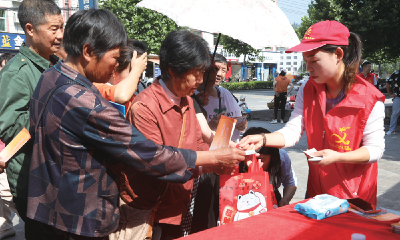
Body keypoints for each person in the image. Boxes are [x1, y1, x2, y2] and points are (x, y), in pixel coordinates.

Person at [24, 9, 244, 239]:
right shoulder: (86, 103)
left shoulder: (50, 77)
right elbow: (149, 155)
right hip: (78, 219)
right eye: (115, 59)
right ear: (88, 51)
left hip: (46, 207)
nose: (117, 67)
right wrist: (214, 159)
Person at [239, 20, 385, 206]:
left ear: (338, 54)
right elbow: (293, 131)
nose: (308, 68)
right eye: (305, 60)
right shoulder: (308, 89)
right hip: (317, 190)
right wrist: (263, 138)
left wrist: (338, 156)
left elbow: (375, 150)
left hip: (354, 194)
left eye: (314, 60)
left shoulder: (369, 98)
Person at [123, 30, 218, 239]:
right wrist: (215, 158)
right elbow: (158, 162)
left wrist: (221, 159)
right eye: (196, 73)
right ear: (173, 70)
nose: (200, 80)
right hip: (152, 211)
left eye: (203, 73)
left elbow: (198, 146)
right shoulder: (144, 107)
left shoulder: (187, 101)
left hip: (179, 205)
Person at [0, 1, 63, 239]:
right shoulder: (17, 73)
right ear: (30, 29)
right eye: (53, 29)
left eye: (61, 28)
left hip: (58, 174)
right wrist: (56, 110)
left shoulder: (55, 64)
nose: (60, 35)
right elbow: (11, 129)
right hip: (35, 179)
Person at [241, 127, 297, 207]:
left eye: (261, 159)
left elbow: (290, 183)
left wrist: (285, 200)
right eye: (250, 158)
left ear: (273, 158)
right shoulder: (236, 161)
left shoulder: (282, 158)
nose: (254, 163)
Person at [194, 60, 245, 142]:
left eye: (214, 71)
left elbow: (238, 119)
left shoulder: (226, 93)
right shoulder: (191, 97)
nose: (217, 74)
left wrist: (242, 124)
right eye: (207, 71)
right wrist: (211, 125)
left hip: (231, 145)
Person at [93, 39, 147, 115]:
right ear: (115, 69)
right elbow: (122, 96)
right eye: (133, 70)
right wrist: (136, 70)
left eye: (141, 73)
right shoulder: (96, 88)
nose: (138, 77)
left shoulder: (135, 99)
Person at [385, 68, 400, 135]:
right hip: (398, 97)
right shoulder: (396, 73)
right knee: (394, 114)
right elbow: (388, 83)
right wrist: (390, 94)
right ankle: (391, 130)